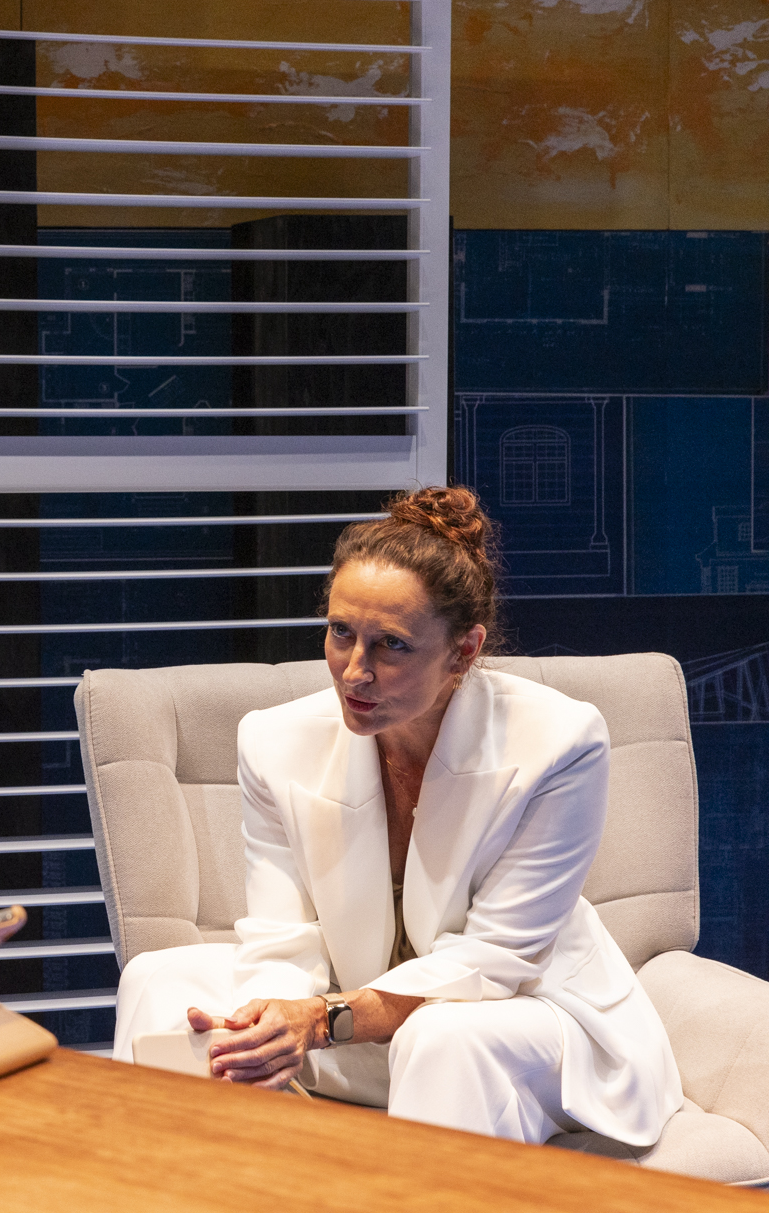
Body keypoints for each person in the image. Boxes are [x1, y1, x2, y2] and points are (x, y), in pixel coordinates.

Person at [112, 486, 683, 1146]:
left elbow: (496, 962)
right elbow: (281, 940)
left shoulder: (560, 741)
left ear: (464, 652)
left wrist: (320, 1020)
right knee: (158, 978)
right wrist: (270, 1024)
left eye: (391, 645)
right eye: (341, 633)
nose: (355, 671)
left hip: (524, 1014)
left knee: (442, 1037)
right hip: (359, 1013)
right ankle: (194, 1177)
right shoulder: (272, 740)